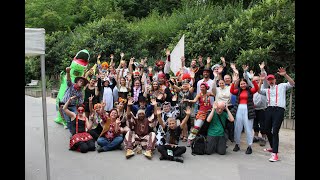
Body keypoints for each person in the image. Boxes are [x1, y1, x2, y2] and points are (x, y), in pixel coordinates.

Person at [258, 67, 295, 162]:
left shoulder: (282, 86)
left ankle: (275, 154)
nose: (270, 81)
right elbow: (258, 91)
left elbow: (292, 84)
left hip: (279, 110)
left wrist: (285, 75)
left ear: (275, 80)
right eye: (269, 80)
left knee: (275, 131)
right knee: (266, 129)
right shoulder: (267, 90)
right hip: (269, 109)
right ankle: (273, 147)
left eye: (272, 79)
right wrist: (261, 81)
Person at [230, 75, 259, 155]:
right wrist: (233, 82)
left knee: (248, 128)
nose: (243, 85)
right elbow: (232, 91)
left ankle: (249, 146)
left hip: (248, 110)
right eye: (241, 84)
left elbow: (256, 88)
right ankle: (237, 144)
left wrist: (253, 80)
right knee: (237, 127)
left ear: (246, 84)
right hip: (239, 109)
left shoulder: (250, 90)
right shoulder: (238, 91)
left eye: (244, 83)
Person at [185, 82, 215, 146]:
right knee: (197, 127)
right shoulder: (199, 95)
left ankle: (207, 140)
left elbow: (216, 95)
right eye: (201, 87)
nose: (201, 88)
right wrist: (188, 100)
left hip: (209, 112)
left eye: (203, 87)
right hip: (201, 113)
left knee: (209, 126)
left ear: (206, 88)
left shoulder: (209, 93)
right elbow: (194, 101)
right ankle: (190, 139)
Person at [61, 67, 88, 134]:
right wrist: (67, 72)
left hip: (73, 105)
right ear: (77, 81)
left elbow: (80, 103)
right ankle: (72, 133)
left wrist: (83, 109)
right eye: (80, 81)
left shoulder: (80, 92)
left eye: (83, 82)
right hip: (65, 104)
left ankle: (76, 132)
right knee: (68, 120)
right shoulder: (71, 85)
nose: (81, 82)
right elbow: (68, 80)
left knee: (76, 117)